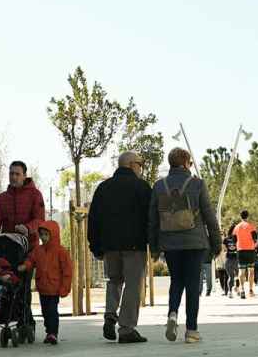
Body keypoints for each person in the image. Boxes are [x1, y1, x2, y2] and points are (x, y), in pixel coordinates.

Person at [148, 147, 222, 344]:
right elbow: (209, 216)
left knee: (176, 280)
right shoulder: (197, 184)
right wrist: (216, 243)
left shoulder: (159, 185)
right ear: (186, 163)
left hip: (170, 242)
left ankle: (172, 314)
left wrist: (154, 246)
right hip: (195, 241)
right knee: (192, 284)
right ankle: (191, 330)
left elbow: (153, 220)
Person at [88, 151, 152, 344]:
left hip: (110, 246)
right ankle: (126, 328)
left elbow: (93, 219)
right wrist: (154, 243)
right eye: (140, 164)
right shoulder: (141, 187)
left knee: (114, 280)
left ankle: (110, 314)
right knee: (133, 285)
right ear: (132, 165)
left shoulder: (103, 187)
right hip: (134, 245)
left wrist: (96, 245)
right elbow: (151, 218)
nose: (141, 168)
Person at [0, 160, 45, 325]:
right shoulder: (1, 198)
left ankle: (25, 320)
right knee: (5, 283)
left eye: (17, 174)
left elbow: (40, 220)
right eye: (11, 173)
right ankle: (5, 315)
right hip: (6, 250)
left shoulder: (35, 195)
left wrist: (27, 228)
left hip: (28, 249)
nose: (13, 177)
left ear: (24, 176)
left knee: (23, 286)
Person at [19, 221, 72, 345]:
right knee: (45, 312)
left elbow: (67, 271)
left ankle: (53, 333)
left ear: (53, 235)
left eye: (46, 235)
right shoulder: (38, 250)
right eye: (41, 235)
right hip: (43, 288)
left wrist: (65, 288)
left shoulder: (61, 252)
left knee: (52, 311)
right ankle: (49, 331)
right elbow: (31, 260)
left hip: (54, 289)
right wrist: (25, 266)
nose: (43, 237)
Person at [233, 210, 257, 299]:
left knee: (241, 271)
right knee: (251, 270)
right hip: (250, 250)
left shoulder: (236, 227)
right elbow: (255, 238)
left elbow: (234, 239)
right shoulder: (251, 226)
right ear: (247, 216)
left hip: (240, 250)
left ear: (240, 217)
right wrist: (253, 246)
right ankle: (250, 291)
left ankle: (242, 289)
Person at [223, 223, 239, 298]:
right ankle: (238, 289)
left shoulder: (225, 239)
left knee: (231, 277)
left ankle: (230, 292)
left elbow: (224, 249)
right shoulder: (237, 238)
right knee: (238, 275)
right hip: (236, 259)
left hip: (228, 259)